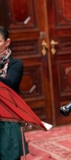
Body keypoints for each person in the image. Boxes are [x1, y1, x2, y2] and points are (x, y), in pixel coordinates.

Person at [0, 26, 29, 159]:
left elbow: (10, 84)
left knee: (9, 155)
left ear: (7, 42)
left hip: (8, 117)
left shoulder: (15, 64)